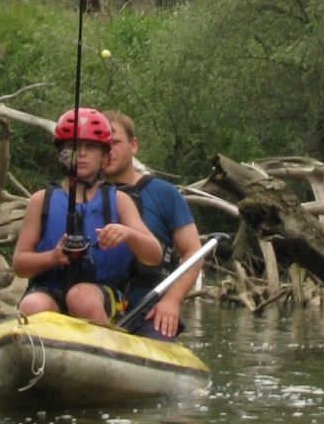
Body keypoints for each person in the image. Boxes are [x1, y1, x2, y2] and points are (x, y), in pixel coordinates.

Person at [12, 107, 162, 325]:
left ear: (104, 156)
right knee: (32, 306)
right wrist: (52, 258)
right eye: (74, 146)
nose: (81, 153)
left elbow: (154, 255)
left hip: (103, 293)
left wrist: (129, 235)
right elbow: (19, 264)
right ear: (61, 153)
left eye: (90, 147)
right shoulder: (40, 201)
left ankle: (105, 348)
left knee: (80, 297)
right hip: (50, 289)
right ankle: (40, 355)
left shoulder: (120, 200)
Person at [103, 110, 202, 340]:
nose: (108, 151)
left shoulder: (164, 193)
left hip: (149, 305)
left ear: (133, 145)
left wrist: (172, 300)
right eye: (102, 144)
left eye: (115, 142)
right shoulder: (85, 194)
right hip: (99, 300)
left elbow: (194, 251)